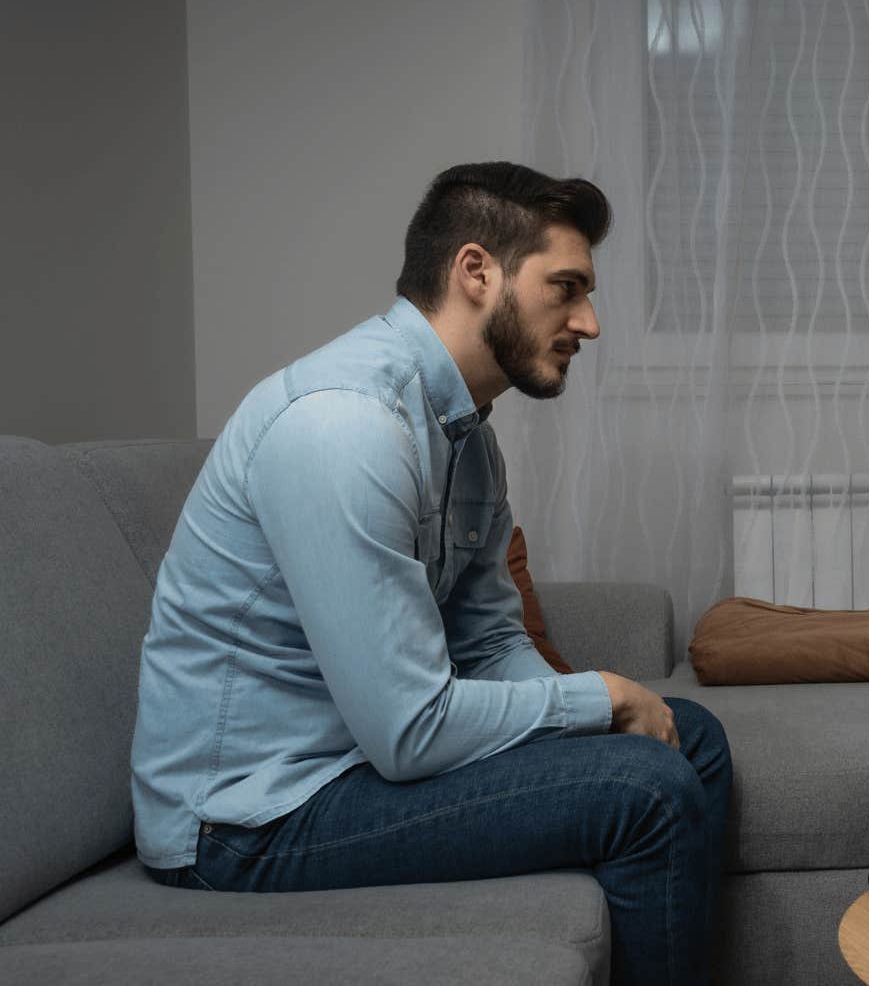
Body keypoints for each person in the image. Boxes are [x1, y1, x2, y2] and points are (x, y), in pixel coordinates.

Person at [131, 162, 730, 985]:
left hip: (353, 768)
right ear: (477, 272)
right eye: (566, 288)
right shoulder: (346, 428)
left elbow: (487, 642)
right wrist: (599, 696)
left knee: (689, 737)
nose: (589, 322)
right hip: (246, 820)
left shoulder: (466, 438)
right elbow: (409, 730)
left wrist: (602, 714)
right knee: (647, 790)